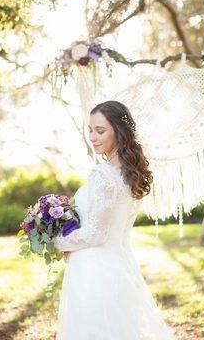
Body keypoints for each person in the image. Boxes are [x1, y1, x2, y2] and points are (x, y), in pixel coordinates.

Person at [53, 100, 176, 339]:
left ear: (119, 131)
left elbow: (96, 234)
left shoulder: (103, 173)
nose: (93, 136)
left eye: (100, 130)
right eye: (90, 129)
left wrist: (56, 240)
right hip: (120, 265)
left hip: (94, 269)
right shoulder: (131, 173)